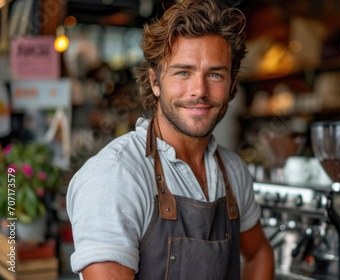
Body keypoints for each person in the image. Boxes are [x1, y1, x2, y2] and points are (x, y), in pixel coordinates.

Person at [66, 0, 275, 279]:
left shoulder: (234, 170)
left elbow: (260, 253)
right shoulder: (116, 175)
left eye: (215, 74)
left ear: (232, 84)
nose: (199, 90)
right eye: (183, 72)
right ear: (155, 81)